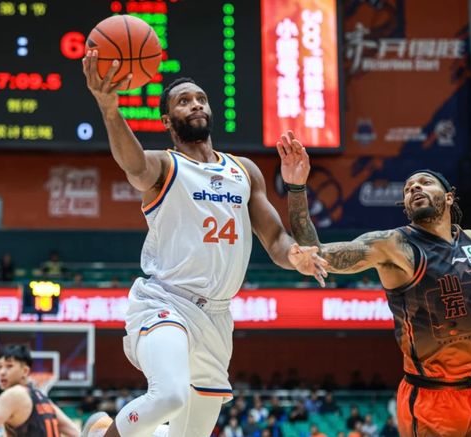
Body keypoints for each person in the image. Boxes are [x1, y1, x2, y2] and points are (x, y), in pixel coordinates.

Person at [80, 52, 327, 437]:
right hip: (166, 301)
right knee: (169, 396)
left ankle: (100, 430)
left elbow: (276, 239)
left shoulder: (244, 170)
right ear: (167, 120)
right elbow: (134, 165)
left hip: (217, 315)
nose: (196, 104)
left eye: (201, 98)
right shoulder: (164, 165)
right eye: (184, 101)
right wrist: (110, 110)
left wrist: (296, 256)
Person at [278, 131, 471, 437]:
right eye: (408, 188)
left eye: (425, 183)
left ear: (449, 197)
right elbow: (318, 253)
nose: (415, 188)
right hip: (436, 399)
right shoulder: (394, 245)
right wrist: (297, 188)